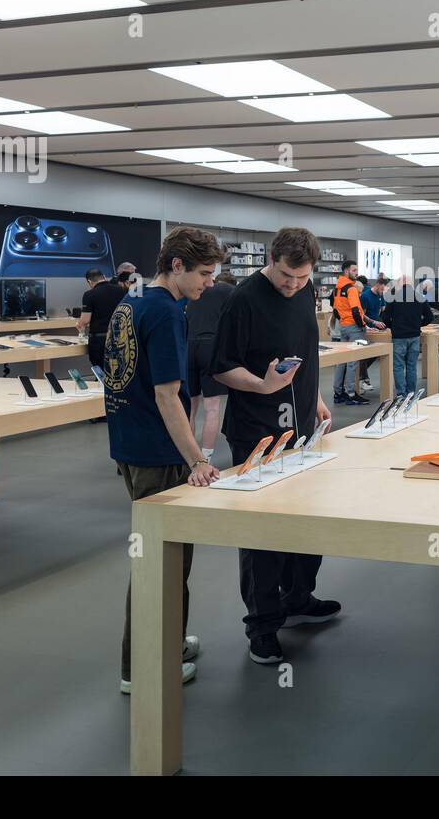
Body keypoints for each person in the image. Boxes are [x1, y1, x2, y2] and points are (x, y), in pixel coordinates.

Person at [103, 227, 225, 694]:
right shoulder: (166, 313)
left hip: (130, 445)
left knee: (169, 558)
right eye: (204, 274)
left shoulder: (130, 302)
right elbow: (167, 396)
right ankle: (143, 668)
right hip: (159, 453)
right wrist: (197, 459)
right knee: (162, 561)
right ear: (177, 266)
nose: (208, 284)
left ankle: (168, 641)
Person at [210, 227, 338, 665]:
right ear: (271, 259)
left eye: (302, 278)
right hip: (256, 431)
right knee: (262, 531)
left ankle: (298, 598)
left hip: (302, 425)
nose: (294, 285)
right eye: (286, 276)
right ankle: (262, 626)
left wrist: (315, 396)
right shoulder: (242, 299)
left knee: (307, 519)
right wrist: (263, 386)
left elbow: (304, 353)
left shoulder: (305, 292)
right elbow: (222, 368)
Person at [186, 274, 234, 465]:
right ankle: (205, 458)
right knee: (212, 408)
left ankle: (187, 457)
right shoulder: (227, 291)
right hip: (211, 347)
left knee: (189, 408)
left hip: (188, 345)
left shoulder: (194, 289)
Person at [331, 260, 384, 405]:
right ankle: (351, 393)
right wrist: (364, 326)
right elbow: (356, 311)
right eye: (354, 270)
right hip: (354, 328)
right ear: (346, 271)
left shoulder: (337, 288)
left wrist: (345, 321)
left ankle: (338, 393)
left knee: (342, 360)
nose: (356, 273)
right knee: (353, 362)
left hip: (343, 327)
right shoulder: (352, 289)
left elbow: (336, 310)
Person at [380, 276, 433, 397]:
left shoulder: (394, 298)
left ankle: (401, 394)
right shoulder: (420, 297)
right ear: (411, 284)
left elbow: (385, 318)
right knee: (411, 366)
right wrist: (419, 324)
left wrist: (393, 326)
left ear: (400, 284)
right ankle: (411, 393)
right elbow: (430, 317)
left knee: (398, 365)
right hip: (414, 335)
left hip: (398, 336)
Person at [77, 267, 126, 372]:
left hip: (100, 341)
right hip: (119, 337)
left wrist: (80, 324)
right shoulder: (121, 290)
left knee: (101, 372)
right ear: (104, 277)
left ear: (89, 282)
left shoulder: (89, 294)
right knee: (118, 370)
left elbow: (85, 320)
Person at [357, 275, 388, 391]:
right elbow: (362, 315)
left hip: (376, 328)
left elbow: (381, 309)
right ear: (378, 285)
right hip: (366, 329)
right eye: (382, 289)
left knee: (376, 353)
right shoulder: (365, 296)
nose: (383, 292)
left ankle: (361, 375)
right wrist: (370, 325)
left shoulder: (380, 296)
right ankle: (363, 379)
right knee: (364, 355)